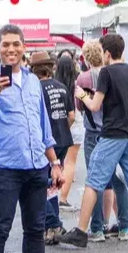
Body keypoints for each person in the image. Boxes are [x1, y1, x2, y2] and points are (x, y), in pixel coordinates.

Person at [0, 24, 63, 253]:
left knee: (35, 229)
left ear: (24, 47)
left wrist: (55, 163)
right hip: (5, 167)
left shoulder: (34, 80)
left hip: (36, 166)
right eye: (5, 44)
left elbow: (43, 125)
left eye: (16, 44)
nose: (11, 49)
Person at [60, 33, 128, 250]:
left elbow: (95, 106)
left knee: (94, 180)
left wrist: (83, 96)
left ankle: (81, 231)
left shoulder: (106, 72)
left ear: (108, 53)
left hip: (112, 133)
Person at [75, 39, 128, 242]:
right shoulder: (115, 74)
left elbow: (82, 107)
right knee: (118, 180)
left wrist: (82, 97)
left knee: (94, 180)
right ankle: (124, 226)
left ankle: (97, 228)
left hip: (94, 133)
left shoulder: (83, 78)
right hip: (115, 130)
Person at [31, 52, 74, 244]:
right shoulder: (62, 87)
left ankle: (52, 223)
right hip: (63, 138)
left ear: (34, 69)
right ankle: (53, 224)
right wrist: (62, 127)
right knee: (55, 183)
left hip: (45, 142)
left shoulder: (34, 89)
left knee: (42, 183)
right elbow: (71, 115)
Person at [55, 53, 83, 210]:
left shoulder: (56, 86)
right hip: (74, 125)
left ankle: (53, 196)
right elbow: (75, 111)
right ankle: (63, 199)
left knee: (57, 163)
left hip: (58, 127)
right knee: (70, 162)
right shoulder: (75, 86)